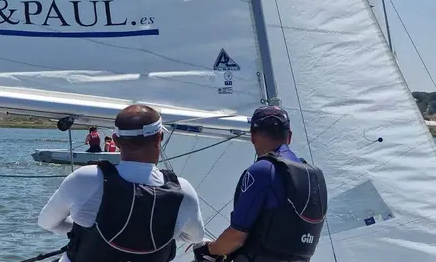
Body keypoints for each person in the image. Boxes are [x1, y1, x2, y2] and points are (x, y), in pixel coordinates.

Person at [38, 104, 205, 262]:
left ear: (116, 140)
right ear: (159, 138)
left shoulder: (85, 178)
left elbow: (47, 222)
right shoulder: (182, 190)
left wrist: (82, 228)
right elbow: (196, 237)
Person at [194, 106, 328, 262]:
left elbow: (236, 237)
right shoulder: (316, 176)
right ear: (289, 136)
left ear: (253, 136)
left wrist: (208, 249)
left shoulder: (262, 170)